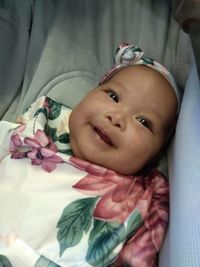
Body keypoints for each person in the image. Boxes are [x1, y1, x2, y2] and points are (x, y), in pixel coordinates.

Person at [0, 44, 179, 267]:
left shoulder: (147, 198)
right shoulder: (42, 122)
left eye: (143, 122)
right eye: (113, 96)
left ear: (156, 154)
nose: (116, 117)